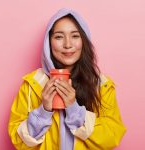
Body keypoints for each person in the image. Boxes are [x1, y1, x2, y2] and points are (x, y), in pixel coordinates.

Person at [8, 8, 126, 150]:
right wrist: (43, 111)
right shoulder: (32, 84)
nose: (68, 44)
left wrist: (74, 110)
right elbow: (19, 142)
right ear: (48, 42)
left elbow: (112, 137)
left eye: (75, 36)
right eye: (59, 37)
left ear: (84, 41)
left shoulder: (100, 85)